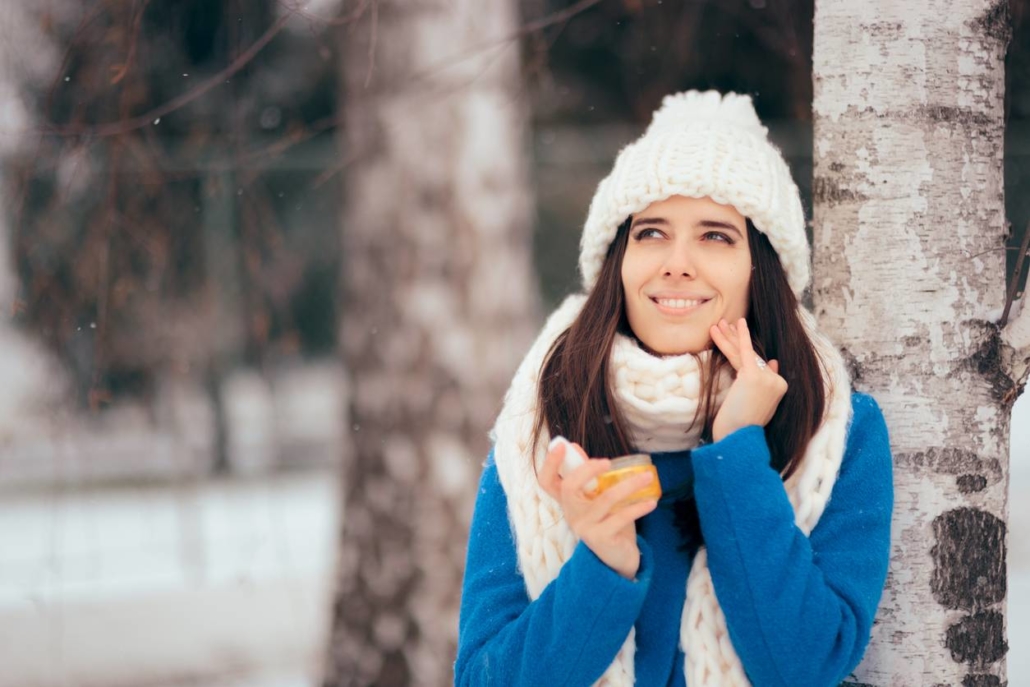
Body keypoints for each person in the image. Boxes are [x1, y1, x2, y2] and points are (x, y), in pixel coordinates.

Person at [454, 90, 893, 687]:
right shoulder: (542, 425)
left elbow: (805, 664)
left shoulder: (835, 427)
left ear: (761, 269)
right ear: (618, 261)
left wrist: (738, 451)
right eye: (651, 232)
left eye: (715, 236)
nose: (677, 263)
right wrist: (604, 563)